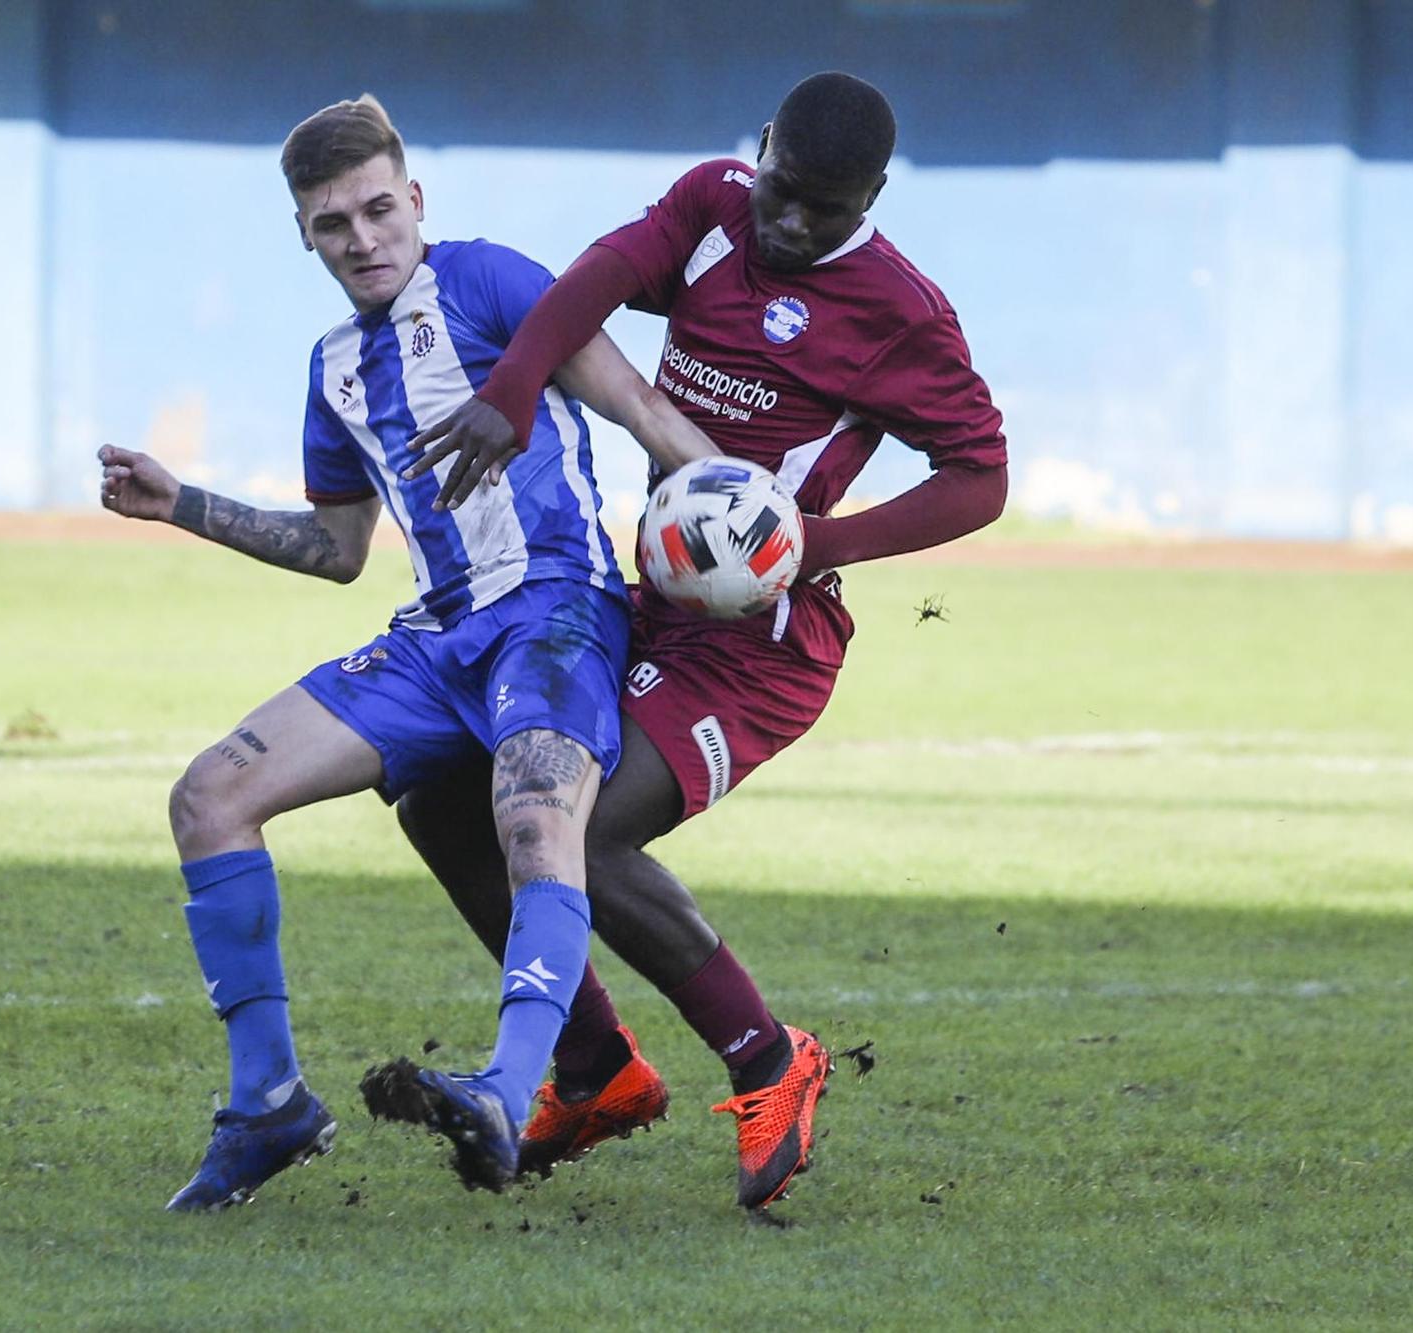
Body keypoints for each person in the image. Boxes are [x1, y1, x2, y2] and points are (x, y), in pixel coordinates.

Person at [395, 71, 1009, 1211]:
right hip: (650, 602)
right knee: (442, 798)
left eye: (821, 209)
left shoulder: (900, 313)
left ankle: (768, 1059)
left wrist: (809, 540)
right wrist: (518, 384)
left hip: (764, 647)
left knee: (588, 828)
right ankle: (592, 1071)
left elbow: (980, 477)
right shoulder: (713, 205)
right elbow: (600, 277)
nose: (787, 222)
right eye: (780, 189)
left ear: (870, 196)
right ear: (760, 148)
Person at [97, 94, 719, 1209]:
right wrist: (179, 502)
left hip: (556, 608)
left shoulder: (486, 279)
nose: (362, 239)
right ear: (304, 235)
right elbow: (336, 548)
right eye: (332, 224)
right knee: (209, 798)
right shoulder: (332, 368)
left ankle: (509, 1084)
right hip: (433, 640)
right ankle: (267, 1105)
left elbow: (635, 406)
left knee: (533, 814)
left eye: (379, 210)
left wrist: (742, 514)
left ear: (415, 201)